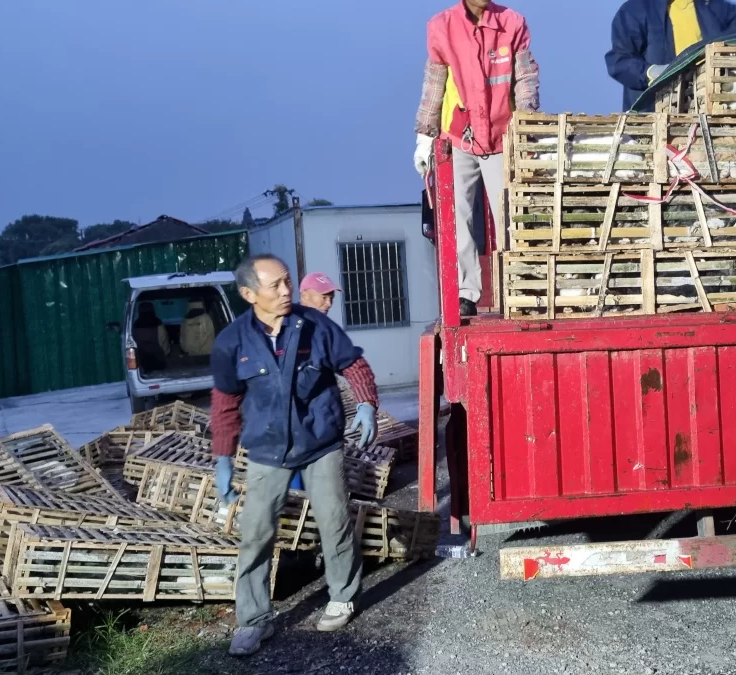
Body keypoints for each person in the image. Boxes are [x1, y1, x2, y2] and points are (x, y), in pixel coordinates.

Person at [209, 254, 381, 657]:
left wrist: (367, 402)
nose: (287, 291)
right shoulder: (232, 342)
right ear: (249, 293)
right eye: (276, 285)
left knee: (334, 520)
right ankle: (254, 620)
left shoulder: (315, 325)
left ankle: (342, 596)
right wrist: (222, 459)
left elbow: (353, 364)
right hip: (267, 451)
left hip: (320, 443)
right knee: (255, 533)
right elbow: (225, 405)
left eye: (288, 281)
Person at [412, 0, 540, 317]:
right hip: (459, 136)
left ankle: (519, 286)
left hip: (501, 135)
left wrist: (527, 124)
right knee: (459, 218)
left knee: (510, 215)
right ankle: (467, 292)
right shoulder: (441, 26)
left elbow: (525, 78)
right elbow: (434, 83)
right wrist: (424, 135)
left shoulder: (512, 22)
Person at [605, 0, 736, 112]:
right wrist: (650, 73)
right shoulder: (637, 10)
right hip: (656, 115)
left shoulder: (714, 8)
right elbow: (618, 61)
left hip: (710, 106)